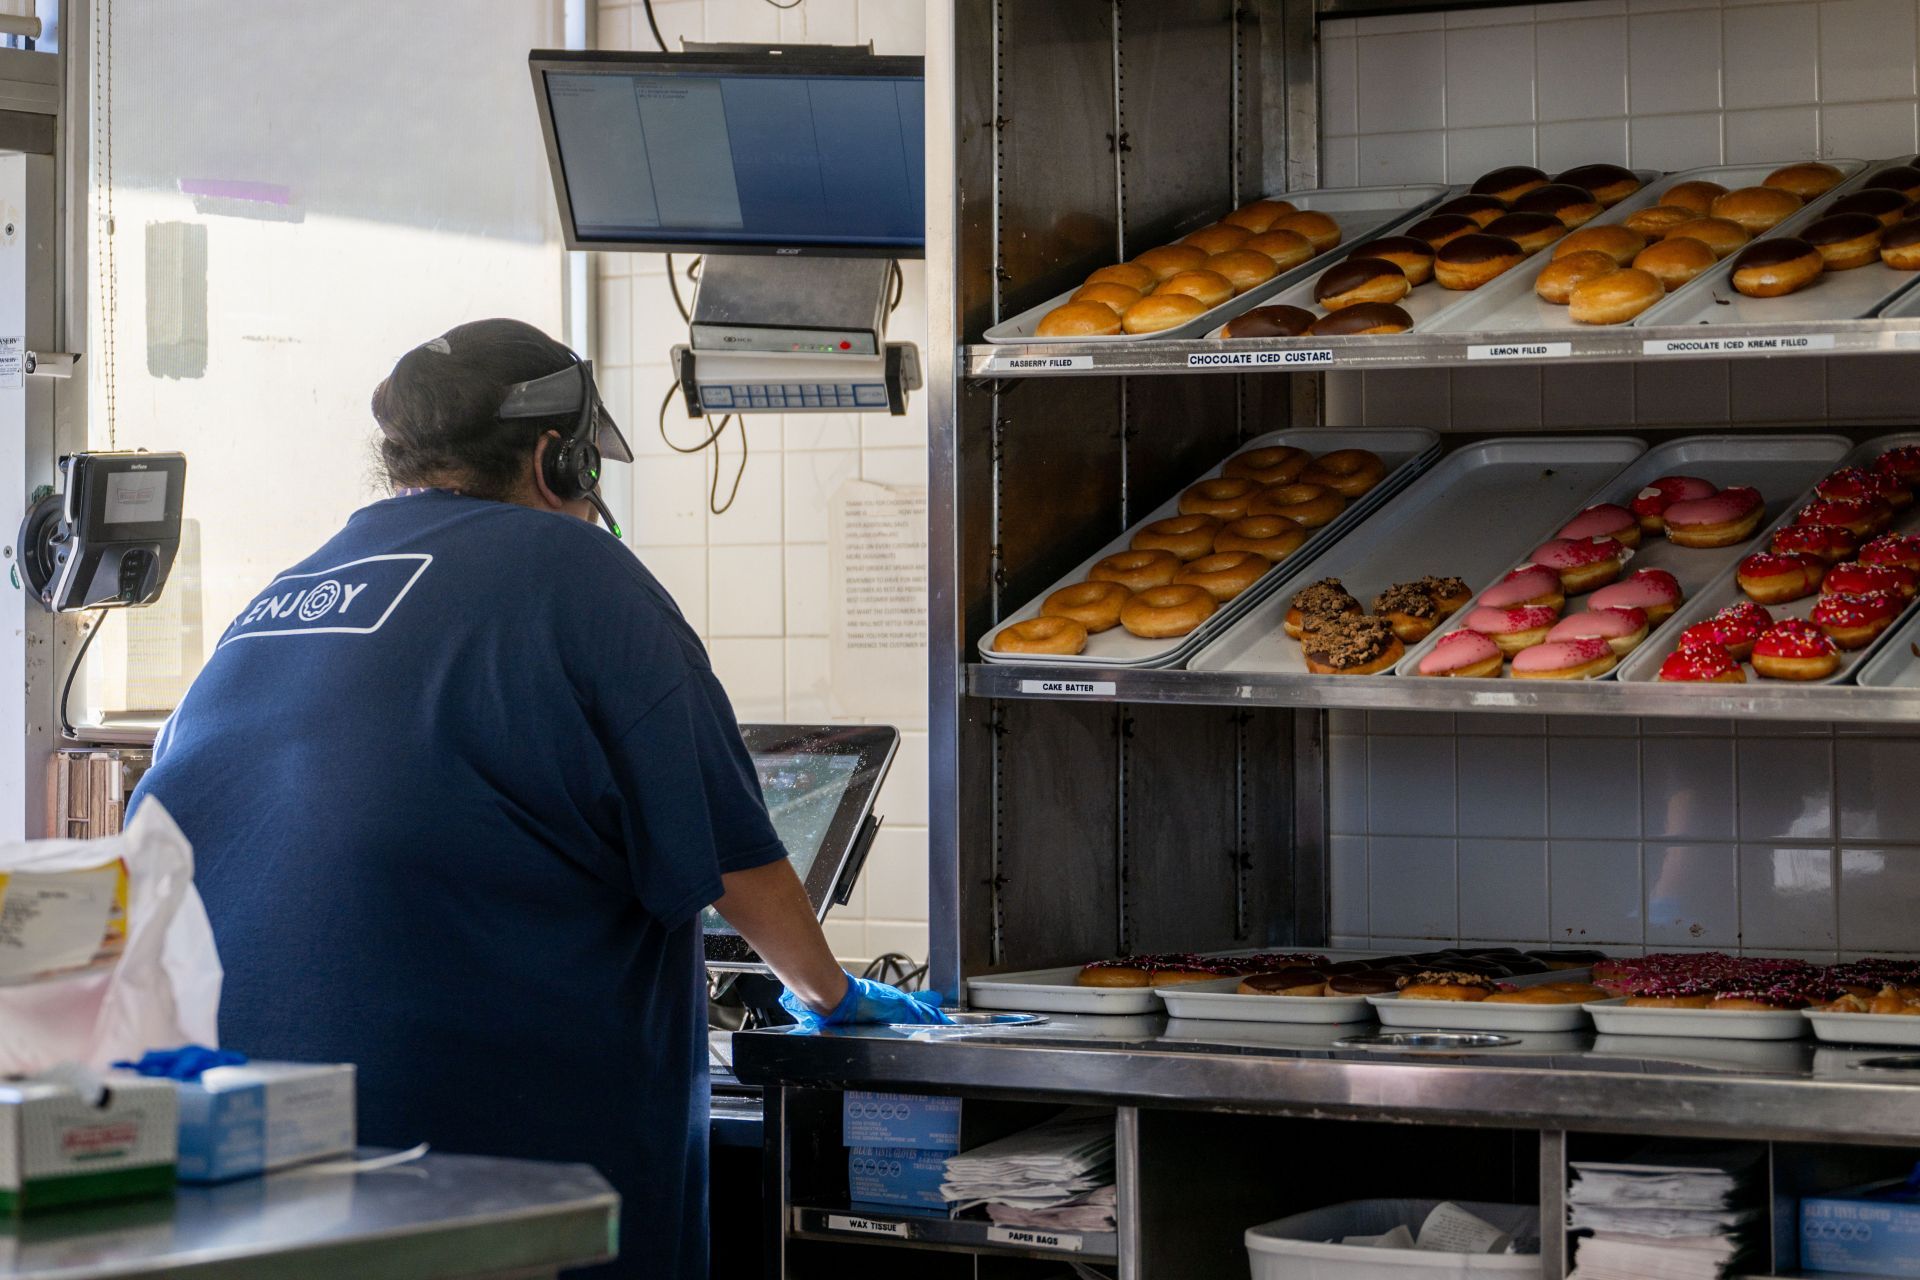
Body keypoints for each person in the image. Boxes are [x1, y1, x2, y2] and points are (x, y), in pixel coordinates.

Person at [128, 318, 946, 1279]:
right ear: (561, 460)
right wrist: (834, 999)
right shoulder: (585, 574)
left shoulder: (285, 593)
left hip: (232, 1143)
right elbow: (736, 860)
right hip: (479, 1153)